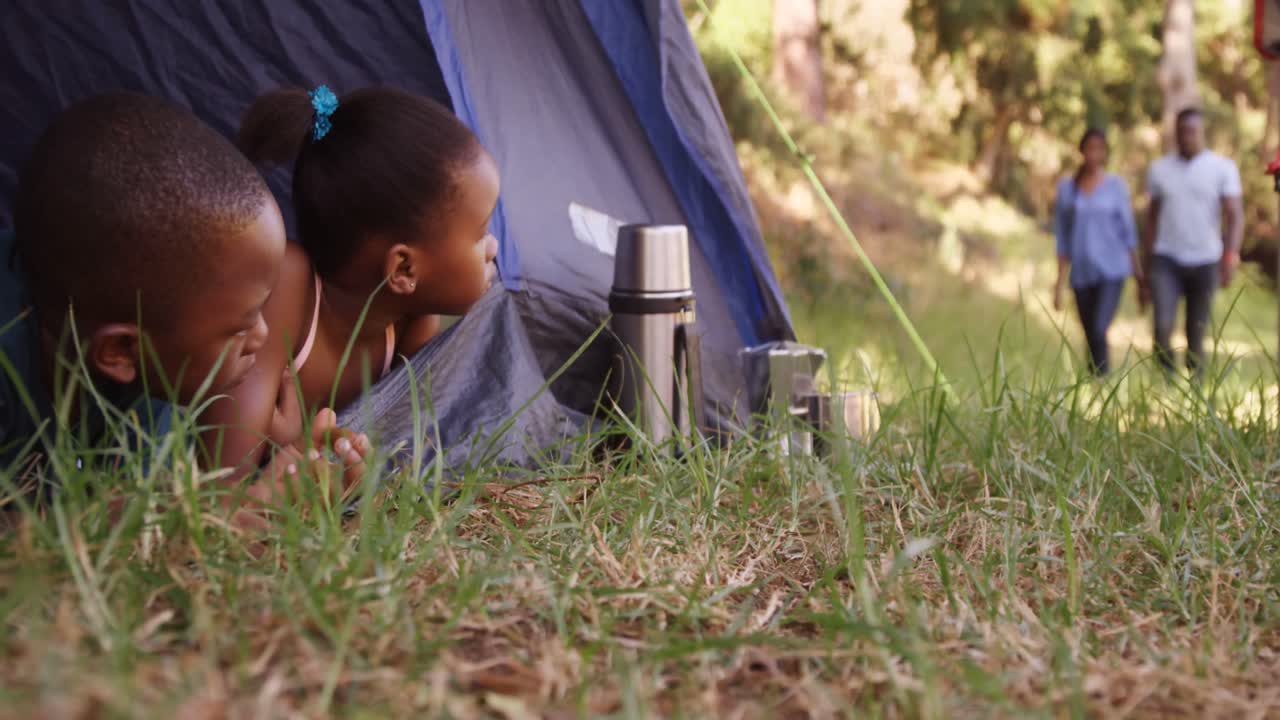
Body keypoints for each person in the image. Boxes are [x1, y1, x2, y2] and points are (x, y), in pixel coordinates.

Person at [3, 93, 366, 519]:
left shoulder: (154, 376)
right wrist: (241, 518)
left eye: (261, 311)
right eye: (237, 329)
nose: (262, 337)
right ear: (119, 351)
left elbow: (149, 514)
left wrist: (264, 498)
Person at [201, 85, 499, 481]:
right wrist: (290, 446)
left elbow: (414, 448)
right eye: (480, 233)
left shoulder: (411, 320)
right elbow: (224, 476)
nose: (493, 247)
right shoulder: (289, 286)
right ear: (403, 270)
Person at [1142, 108, 1245, 377]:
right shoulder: (1159, 169)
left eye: (1192, 130)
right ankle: (1167, 383)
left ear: (1202, 132)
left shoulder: (1222, 168)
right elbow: (1151, 220)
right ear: (1175, 132)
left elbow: (1234, 216)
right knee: (1162, 327)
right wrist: (1144, 268)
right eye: (1182, 130)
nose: (1186, 136)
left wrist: (1230, 255)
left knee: (1196, 333)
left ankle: (1196, 389)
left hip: (1206, 260)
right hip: (1166, 259)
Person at [1052, 128, 1143, 376]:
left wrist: (1138, 275)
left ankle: (1102, 380)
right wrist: (1059, 283)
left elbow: (1128, 233)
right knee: (1089, 329)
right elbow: (1062, 238)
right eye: (1089, 148)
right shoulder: (1067, 189)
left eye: (1098, 149)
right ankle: (1093, 381)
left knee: (1100, 326)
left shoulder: (1115, 186)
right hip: (1081, 272)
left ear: (1104, 153)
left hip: (1112, 269)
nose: (1093, 154)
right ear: (1082, 151)